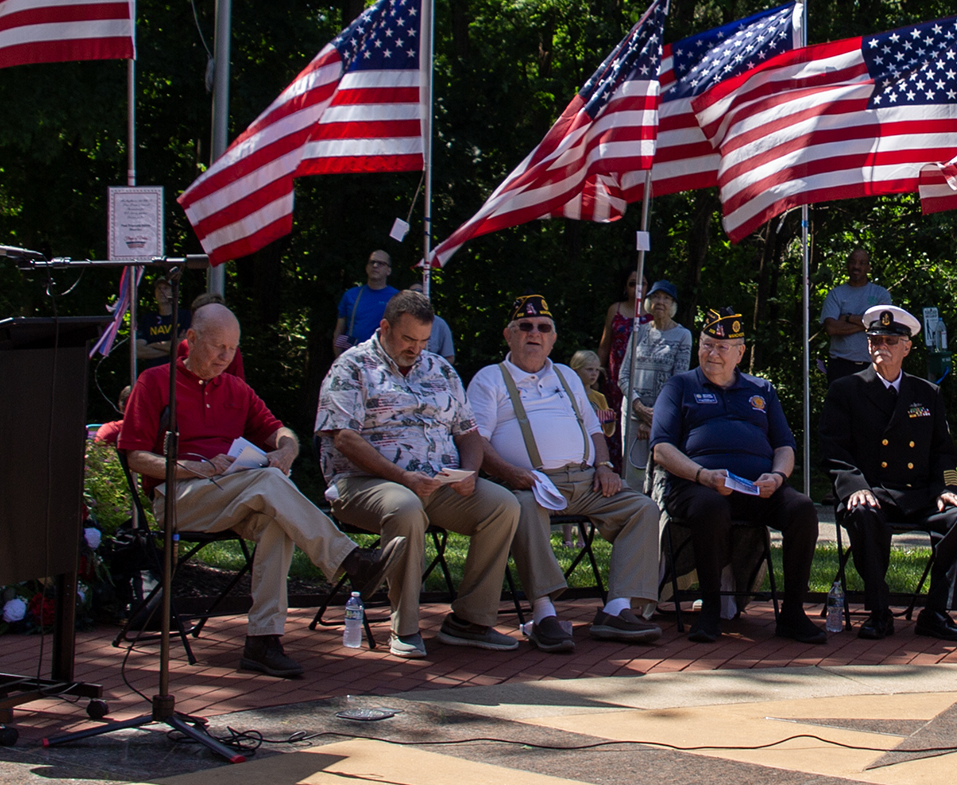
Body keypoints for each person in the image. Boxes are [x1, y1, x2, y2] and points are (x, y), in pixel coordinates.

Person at [117, 304, 399, 678]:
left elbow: (282, 433)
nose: (224, 357)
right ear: (190, 339)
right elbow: (134, 455)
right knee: (270, 483)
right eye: (217, 346)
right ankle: (350, 561)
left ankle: (262, 641)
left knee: (275, 522)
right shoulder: (155, 382)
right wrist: (189, 467)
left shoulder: (236, 389)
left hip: (234, 495)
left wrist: (284, 451)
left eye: (232, 349)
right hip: (180, 497)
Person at [317, 290, 522, 658]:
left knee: (503, 505)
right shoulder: (352, 367)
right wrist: (401, 476)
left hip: (436, 482)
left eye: (424, 340)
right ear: (385, 327)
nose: (416, 349)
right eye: (408, 339)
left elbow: (468, 432)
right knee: (406, 506)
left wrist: (469, 473)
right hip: (365, 484)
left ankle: (470, 621)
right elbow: (344, 437)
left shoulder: (440, 369)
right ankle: (405, 627)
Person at [466, 296, 664, 652]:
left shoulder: (566, 376)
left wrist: (604, 466)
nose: (534, 334)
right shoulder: (490, 379)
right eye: (524, 327)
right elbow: (477, 441)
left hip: (586, 480)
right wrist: (511, 474)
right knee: (522, 507)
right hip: (529, 483)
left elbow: (592, 429)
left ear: (553, 339)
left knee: (642, 508)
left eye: (543, 328)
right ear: (508, 335)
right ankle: (544, 613)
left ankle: (618, 608)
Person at [650, 308, 825, 645]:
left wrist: (777, 476)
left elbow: (785, 445)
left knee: (802, 508)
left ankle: (792, 613)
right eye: (706, 345)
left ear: (740, 352)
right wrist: (702, 475)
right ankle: (710, 610)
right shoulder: (679, 387)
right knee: (711, 507)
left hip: (757, 488)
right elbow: (661, 449)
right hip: (695, 486)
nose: (712, 353)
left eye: (722, 347)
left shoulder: (762, 390)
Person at [820, 305, 957, 642]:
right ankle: (878, 611)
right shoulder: (847, 390)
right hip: (874, 491)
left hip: (918, 493)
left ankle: (936, 611)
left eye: (890, 340)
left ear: (907, 347)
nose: (881, 347)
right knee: (862, 512)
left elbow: (943, 451)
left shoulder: (927, 394)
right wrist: (853, 487)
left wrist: (946, 488)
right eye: (875, 340)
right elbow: (833, 450)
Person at [618, 279, 692, 491]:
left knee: (659, 476)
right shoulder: (638, 331)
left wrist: (654, 418)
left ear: (673, 305)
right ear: (649, 302)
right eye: (656, 297)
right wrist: (639, 408)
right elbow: (623, 375)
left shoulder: (683, 335)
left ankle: (656, 521)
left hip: (663, 415)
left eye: (666, 298)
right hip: (632, 413)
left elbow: (678, 381)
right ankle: (631, 520)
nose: (660, 302)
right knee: (632, 475)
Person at [820, 248, 892, 381]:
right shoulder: (835, 294)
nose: (856, 267)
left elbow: (884, 325)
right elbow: (832, 328)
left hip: (873, 366)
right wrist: (870, 323)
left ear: (869, 268)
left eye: (862, 263)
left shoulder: (881, 294)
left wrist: (848, 318)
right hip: (840, 366)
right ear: (847, 265)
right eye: (853, 262)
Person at [597, 268, 647, 410]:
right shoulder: (615, 310)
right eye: (632, 284)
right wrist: (596, 373)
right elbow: (605, 345)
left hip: (642, 377)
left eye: (642, 284)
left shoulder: (653, 314)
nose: (637, 288)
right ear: (625, 287)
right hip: (615, 377)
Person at [333, 250, 399, 353]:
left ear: (388, 271)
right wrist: (339, 358)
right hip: (353, 356)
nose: (375, 265)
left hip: (382, 358)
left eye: (381, 263)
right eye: (372, 262)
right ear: (366, 267)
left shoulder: (397, 298)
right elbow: (340, 331)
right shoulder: (351, 295)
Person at [569, 349, 618, 455]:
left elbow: (608, 432)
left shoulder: (599, 397)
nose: (594, 374)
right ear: (575, 371)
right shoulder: (567, 395)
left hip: (593, 446)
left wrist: (610, 420)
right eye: (589, 369)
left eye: (597, 370)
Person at [135, 276, 190, 363]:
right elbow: (138, 351)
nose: (161, 291)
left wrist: (153, 345)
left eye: (165, 288)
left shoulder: (185, 316)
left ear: (174, 292)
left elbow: (186, 346)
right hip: (154, 373)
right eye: (159, 288)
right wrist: (172, 349)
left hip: (178, 371)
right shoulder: (147, 319)